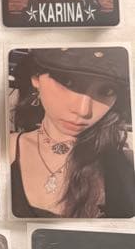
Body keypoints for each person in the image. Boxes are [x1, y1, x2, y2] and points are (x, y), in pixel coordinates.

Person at [9, 47, 135, 219]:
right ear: (36, 78)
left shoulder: (123, 166)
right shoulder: (2, 151)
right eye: (68, 81)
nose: (83, 111)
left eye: (106, 91)